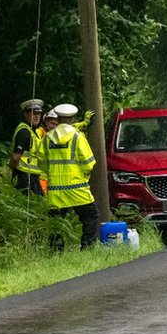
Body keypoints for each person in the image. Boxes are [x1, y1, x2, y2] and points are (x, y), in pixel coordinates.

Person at [35, 103, 99, 250]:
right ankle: (87, 248)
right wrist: (83, 176)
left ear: (57, 118)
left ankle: (56, 251)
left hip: (56, 190)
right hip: (77, 188)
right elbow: (89, 163)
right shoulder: (78, 137)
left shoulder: (47, 138)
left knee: (56, 223)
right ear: (73, 119)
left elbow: (42, 163)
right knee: (91, 216)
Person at [10, 98, 45, 195]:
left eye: (39, 114)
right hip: (23, 176)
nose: (37, 116)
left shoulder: (34, 131)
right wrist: (12, 171)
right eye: (34, 113)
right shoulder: (24, 132)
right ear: (26, 114)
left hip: (33, 176)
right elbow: (15, 156)